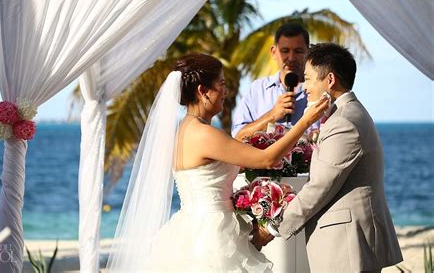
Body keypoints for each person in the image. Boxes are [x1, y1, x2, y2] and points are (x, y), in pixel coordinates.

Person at [106, 53, 329, 272]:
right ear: (203, 91)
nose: (226, 91)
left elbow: (236, 147)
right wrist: (305, 121)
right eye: (221, 84)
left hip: (191, 227)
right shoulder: (203, 134)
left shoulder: (186, 129)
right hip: (213, 236)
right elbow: (267, 159)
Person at [277, 43, 403, 272]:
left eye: (309, 78)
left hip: (347, 246)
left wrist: (274, 226)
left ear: (330, 80)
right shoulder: (345, 114)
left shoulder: (344, 122)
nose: (305, 87)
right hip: (345, 243)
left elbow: (320, 187)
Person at [232, 22, 312, 140]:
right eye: (285, 51)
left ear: (308, 53)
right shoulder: (257, 90)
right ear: (274, 52)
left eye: (298, 51)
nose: (291, 58)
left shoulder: (319, 91)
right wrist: (272, 115)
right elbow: (238, 136)